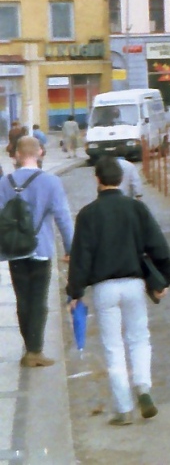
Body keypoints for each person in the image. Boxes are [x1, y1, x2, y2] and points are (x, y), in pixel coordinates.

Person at [67, 156, 170, 426]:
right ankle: (143, 388)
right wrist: (165, 281)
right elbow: (160, 249)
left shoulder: (88, 214)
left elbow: (81, 257)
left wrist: (75, 292)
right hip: (134, 285)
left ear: (97, 179)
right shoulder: (136, 209)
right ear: (121, 179)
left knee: (113, 346)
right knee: (139, 338)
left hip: (104, 288)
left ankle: (123, 409)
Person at [0, 136, 73, 368]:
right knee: (39, 298)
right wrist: (71, 248)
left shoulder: (4, 182)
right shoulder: (51, 182)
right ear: (41, 152)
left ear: (18, 155)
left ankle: (29, 346)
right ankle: (35, 350)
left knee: (23, 298)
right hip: (41, 248)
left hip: (15, 250)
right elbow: (63, 217)